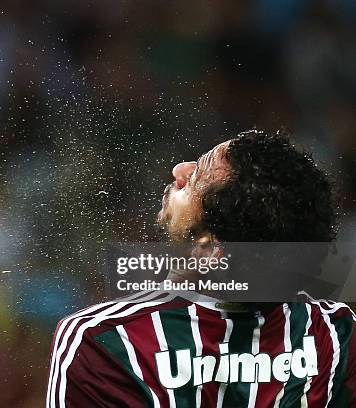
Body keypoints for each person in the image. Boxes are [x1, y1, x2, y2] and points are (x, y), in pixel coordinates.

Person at [46, 130, 356, 407]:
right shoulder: (337, 336)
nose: (181, 170)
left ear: (207, 250)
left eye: (195, 179)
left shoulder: (106, 343)